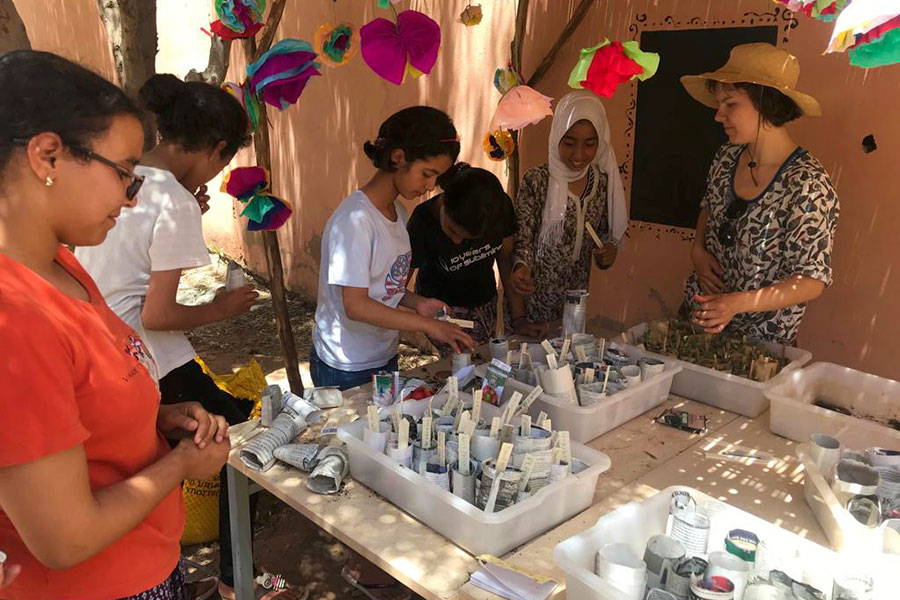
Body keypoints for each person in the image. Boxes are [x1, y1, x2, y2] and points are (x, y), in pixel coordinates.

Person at [0, 50, 229, 600]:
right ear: (48, 156)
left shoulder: (62, 264)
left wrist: (156, 416)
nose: (131, 200)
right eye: (124, 174)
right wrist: (181, 464)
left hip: (143, 559)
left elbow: (82, 405)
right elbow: (66, 538)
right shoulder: (15, 319)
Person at [74, 73, 262, 600]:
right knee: (237, 443)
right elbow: (157, 314)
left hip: (102, 349)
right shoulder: (172, 198)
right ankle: (234, 579)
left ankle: (175, 572)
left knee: (153, 456)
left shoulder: (127, 181)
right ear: (217, 149)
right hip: (144, 355)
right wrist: (220, 307)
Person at [679, 43, 839, 344]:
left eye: (731, 104)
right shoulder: (726, 158)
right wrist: (697, 250)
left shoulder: (807, 183)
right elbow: (708, 208)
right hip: (700, 319)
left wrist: (737, 303)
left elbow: (811, 279)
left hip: (759, 343)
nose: (718, 116)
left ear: (765, 102)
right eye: (718, 104)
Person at [311, 106, 475, 391]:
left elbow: (384, 287)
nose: (431, 186)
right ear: (399, 158)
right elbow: (356, 305)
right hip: (346, 364)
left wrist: (418, 304)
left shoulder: (397, 211)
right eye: (427, 174)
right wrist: (427, 326)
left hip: (382, 354)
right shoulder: (355, 221)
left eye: (437, 178)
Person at [508, 90, 628, 337]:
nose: (578, 155)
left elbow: (604, 237)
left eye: (590, 144)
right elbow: (523, 241)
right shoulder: (537, 181)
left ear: (601, 142)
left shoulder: (602, 184)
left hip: (573, 308)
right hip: (530, 308)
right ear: (556, 138)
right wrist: (520, 267)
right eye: (569, 142)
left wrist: (608, 252)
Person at [407, 163, 517, 354]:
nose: (457, 242)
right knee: (464, 364)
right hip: (442, 309)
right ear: (444, 203)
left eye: (468, 239)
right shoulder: (422, 222)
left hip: (485, 303)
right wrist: (421, 313)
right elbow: (396, 287)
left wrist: (519, 317)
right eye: (451, 230)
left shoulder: (498, 211)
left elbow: (505, 257)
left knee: (483, 362)